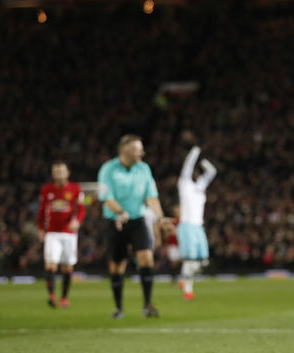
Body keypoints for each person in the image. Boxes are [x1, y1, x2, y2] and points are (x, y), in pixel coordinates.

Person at [97, 134, 169, 319]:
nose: (142, 153)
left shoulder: (144, 169)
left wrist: (160, 218)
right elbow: (106, 198)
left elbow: (151, 197)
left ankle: (148, 305)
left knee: (146, 258)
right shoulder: (108, 169)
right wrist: (121, 212)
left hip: (138, 219)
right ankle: (118, 308)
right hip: (116, 221)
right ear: (125, 150)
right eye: (138, 150)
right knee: (117, 265)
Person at [37, 161, 86, 308]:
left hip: (69, 234)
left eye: (61, 171)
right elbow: (41, 211)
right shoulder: (47, 190)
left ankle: (64, 298)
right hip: (52, 233)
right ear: (53, 174)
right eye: (56, 171)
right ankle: (52, 296)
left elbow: (81, 209)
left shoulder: (76, 189)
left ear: (67, 173)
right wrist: (40, 229)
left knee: (67, 268)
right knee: (50, 264)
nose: (58, 174)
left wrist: (77, 221)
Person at [177, 146, 217, 300]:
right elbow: (187, 166)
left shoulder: (199, 187)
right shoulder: (184, 184)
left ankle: (183, 277)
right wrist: (195, 151)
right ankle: (188, 290)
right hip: (187, 226)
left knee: (203, 260)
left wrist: (204, 162)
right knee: (191, 259)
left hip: (198, 227)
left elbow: (212, 172)